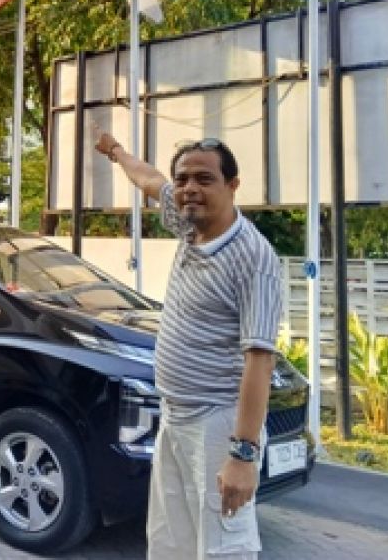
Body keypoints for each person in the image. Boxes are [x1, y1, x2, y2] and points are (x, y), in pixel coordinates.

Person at [94, 131, 282, 559]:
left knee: (223, 550)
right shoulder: (187, 225)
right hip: (174, 418)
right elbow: (149, 179)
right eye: (183, 180)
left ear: (233, 186)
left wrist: (243, 454)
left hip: (218, 425)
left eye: (204, 178)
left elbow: (260, 360)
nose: (189, 189)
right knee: (169, 543)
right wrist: (115, 151)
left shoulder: (254, 260)